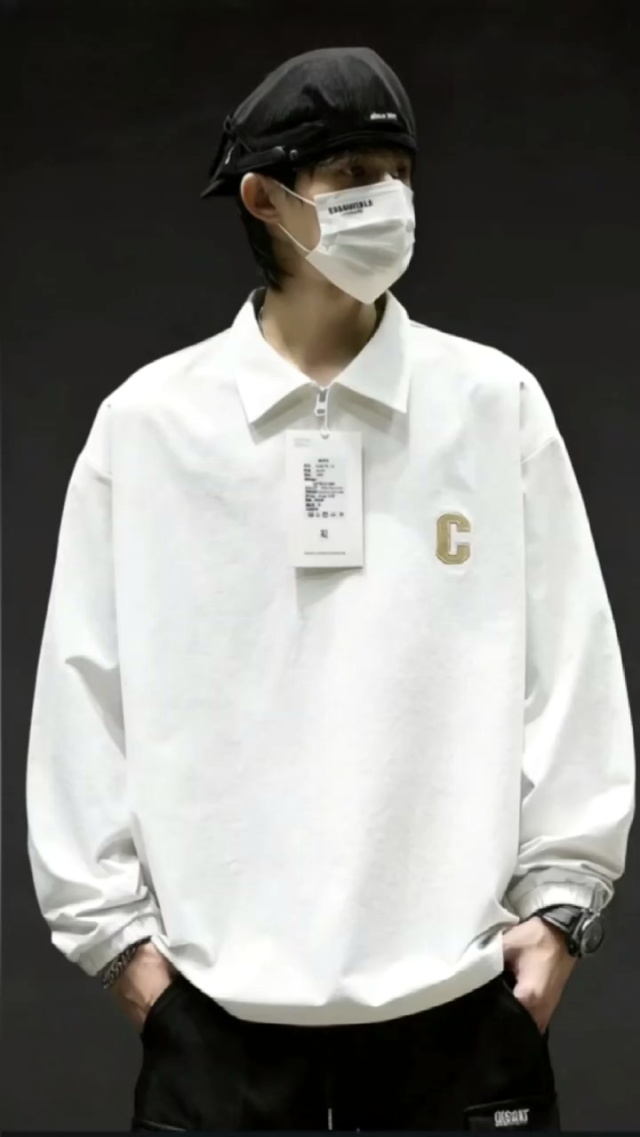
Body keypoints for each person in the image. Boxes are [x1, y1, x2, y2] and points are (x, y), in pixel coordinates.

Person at [25, 45, 635, 1133]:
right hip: (215, 1034)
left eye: (399, 172)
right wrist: (127, 959)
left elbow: (573, 668)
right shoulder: (150, 428)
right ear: (263, 199)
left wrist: (560, 915)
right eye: (351, 175)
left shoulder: (492, 406)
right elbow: (82, 695)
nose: (387, 201)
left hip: (461, 1023)